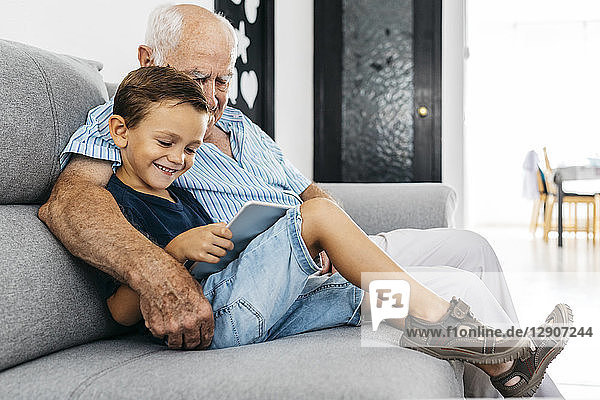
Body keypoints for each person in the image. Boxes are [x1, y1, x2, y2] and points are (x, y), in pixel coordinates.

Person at [102, 65, 570, 398]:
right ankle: (444, 321)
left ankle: (506, 368)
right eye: (167, 143)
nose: (180, 159)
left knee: (375, 300)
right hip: (220, 322)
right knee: (319, 215)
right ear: (119, 131)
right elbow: (121, 311)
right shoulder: (116, 201)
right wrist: (175, 252)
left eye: (191, 148)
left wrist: (237, 240)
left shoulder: (179, 190)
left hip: (266, 304)